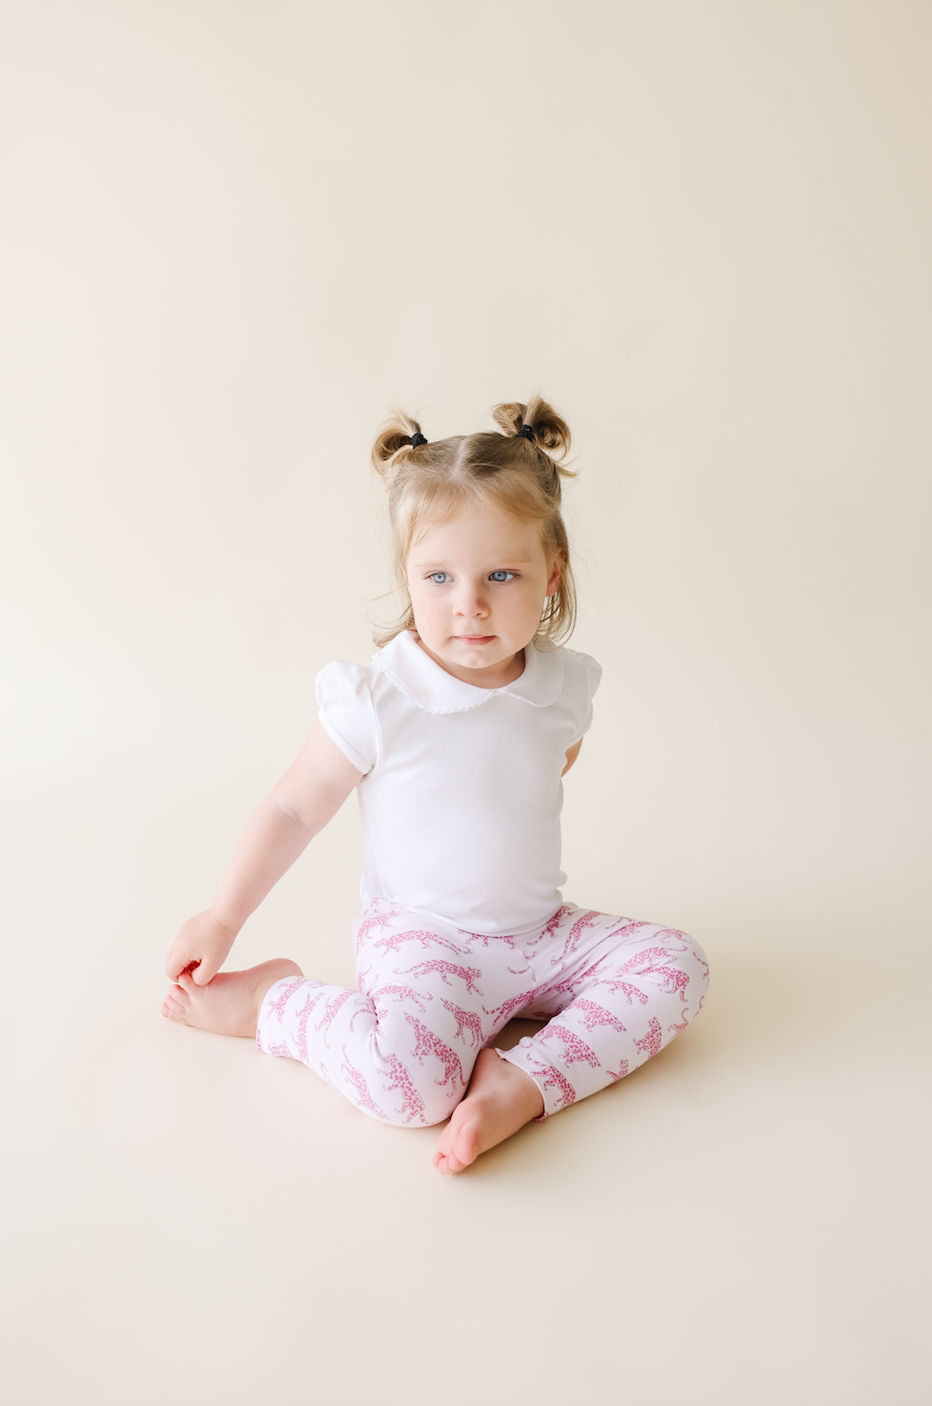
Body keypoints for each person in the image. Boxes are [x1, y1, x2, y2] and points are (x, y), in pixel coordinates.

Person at [162, 397, 709, 1174]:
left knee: (679, 966)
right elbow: (292, 806)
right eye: (440, 577)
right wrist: (222, 918)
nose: (469, 604)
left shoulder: (563, 686)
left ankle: (523, 1081)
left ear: (552, 574)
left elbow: (544, 766)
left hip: (538, 935)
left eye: (501, 575)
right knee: (408, 1087)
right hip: (423, 938)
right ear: (408, 577)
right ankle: (273, 1005)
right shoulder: (381, 699)